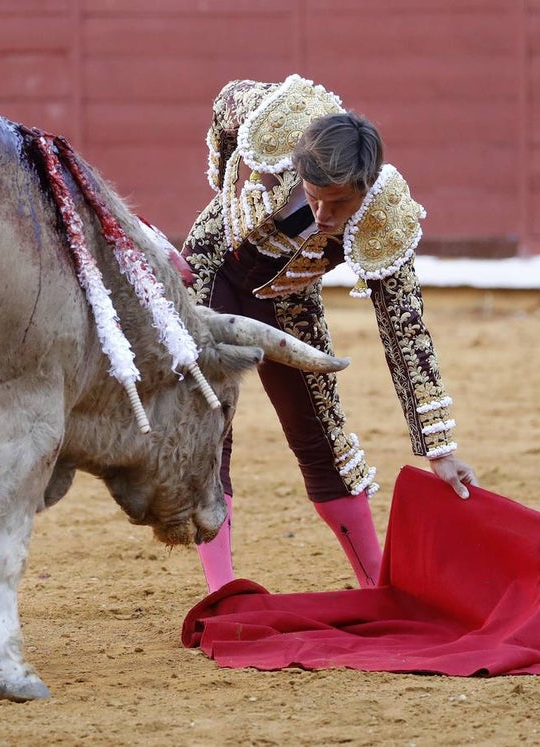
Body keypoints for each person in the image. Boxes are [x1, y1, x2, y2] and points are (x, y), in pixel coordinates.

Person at [181, 74, 478, 593]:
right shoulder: (279, 122)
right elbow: (229, 98)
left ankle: (376, 587)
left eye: (337, 205)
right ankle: (220, 593)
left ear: (365, 187)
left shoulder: (385, 216)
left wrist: (439, 448)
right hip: (217, 272)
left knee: (323, 435)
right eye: (314, 198)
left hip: (287, 297)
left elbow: (405, 333)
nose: (322, 214)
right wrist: (226, 181)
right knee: (208, 426)